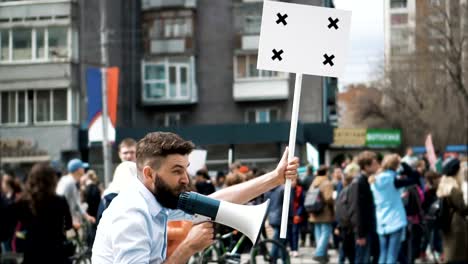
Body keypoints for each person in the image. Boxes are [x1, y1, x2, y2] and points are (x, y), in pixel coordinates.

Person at [92, 132, 299, 263]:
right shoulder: (131, 215)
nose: (185, 179)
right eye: (176, 171)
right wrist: (188, 248)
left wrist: (275, 178)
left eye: (185, 169)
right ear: (149, 174)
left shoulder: (158, 197)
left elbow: (217, 200)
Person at [2, 163, 73, 264]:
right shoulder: (60, 201)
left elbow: (7, 227)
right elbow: (69, 226)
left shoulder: (22, 202)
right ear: (52, 181)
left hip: (32, 254)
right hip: (57, 254)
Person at [370, 154, 419, 264]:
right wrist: (403, 163)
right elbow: (415, 177)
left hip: (381, 220)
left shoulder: (375, 180)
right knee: (392, 254)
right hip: (395, 219)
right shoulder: (394, 180)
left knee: (383, 254)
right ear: (396, 166)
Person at [348, 151, 380, 264]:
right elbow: (356, 209)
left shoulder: (365, 180)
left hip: (367, 228)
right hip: (363, 230)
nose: (377, 166)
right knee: (362, 259)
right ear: (366, 166)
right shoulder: (359, 182)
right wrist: (360, 234)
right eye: (375, 164)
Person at [436, 157, 468, 263]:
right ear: (457, 172)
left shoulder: (443, 186)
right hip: (457, 226)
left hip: (448, 224)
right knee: (458, 255)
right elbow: (463, 209)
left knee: (450, 252)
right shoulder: (454, 190)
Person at [56, 158, 95, 228]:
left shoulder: (71, 181)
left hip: (68, 222)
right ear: (78, 170)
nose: (84, 169)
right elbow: (59, 203)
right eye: (82, 167)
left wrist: (87, 216)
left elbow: (76, 203)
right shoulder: (68, 182)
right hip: (64, 224)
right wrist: (70, 221)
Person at [309, 165, 335, 263]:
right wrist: (334, 202)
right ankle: (319, 253)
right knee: (326, 232)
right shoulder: (327, 183)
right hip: (325, 211)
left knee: (318, 232)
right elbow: (328, 198)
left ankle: (322, 254)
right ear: (326, 172)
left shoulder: (314, 182)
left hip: (314, 211)